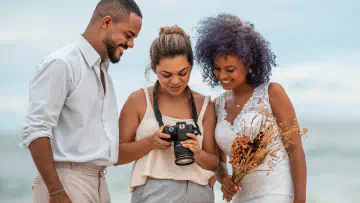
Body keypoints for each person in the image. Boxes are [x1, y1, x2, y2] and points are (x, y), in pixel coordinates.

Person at [19, 1, 142, 203]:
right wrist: (55, 190)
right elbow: (36, 130)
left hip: (98, 181)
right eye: (128, 35)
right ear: (107, 22)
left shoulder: (102, 70)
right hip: (66, 181)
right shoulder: (63, 63)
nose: (131, 44)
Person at [194, 14, 307, 203]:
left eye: (230, 69)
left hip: (277, 194)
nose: (222, 75)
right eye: (217, 68)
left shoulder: (272, 93)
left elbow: (295, 150)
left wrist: (300, 201)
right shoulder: (217, 106)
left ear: (249, 64)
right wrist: (224, 179)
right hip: (241, 198)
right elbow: (219, 163)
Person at [115, 25, 218, 203]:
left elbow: (214, 163)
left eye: (183, 73)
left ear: (192, 66)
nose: (175, 81)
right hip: (153, 193)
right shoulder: (139, 100)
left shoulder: (205, 106)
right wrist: (151, 142)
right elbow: (115, 156)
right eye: (166, 74)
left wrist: (197, 152)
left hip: (199, 193)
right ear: (154, 68)